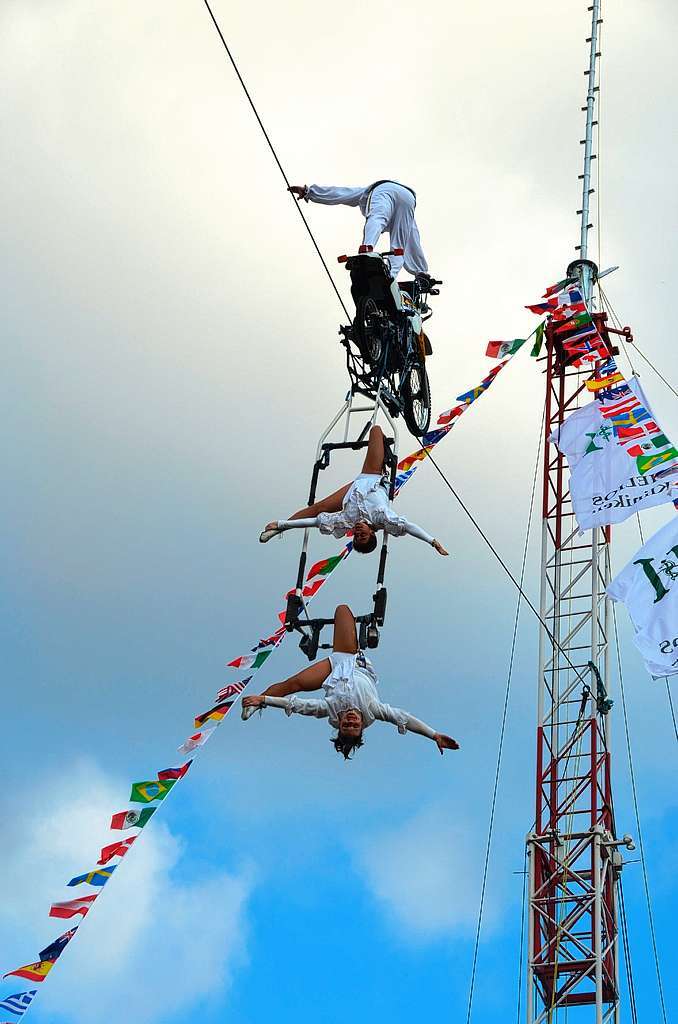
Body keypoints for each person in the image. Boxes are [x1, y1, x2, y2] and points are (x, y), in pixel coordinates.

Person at [241, 604, 459, 760]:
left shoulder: (331, 709)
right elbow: (404, 718)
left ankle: (255, 703)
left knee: (294, 684)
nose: (351, 720)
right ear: (362, 726)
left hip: (331, 670)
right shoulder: (373, 710)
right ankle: (259, 701)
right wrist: (433, 735)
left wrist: (265, 699)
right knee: (342, 610)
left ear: (340, 725)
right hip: (350, 659)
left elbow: (296, 705)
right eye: (355, 725)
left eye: (347, 725)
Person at [259, 424, 448, 555]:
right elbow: (409, 527)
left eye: (356, 536)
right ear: (373, 533)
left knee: (319, 508)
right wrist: (432, 541)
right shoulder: (383, 518)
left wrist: (282, 524)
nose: (358, 531)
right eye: (363, 535)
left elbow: (315, 522)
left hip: (351, 491)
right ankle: (383, 451)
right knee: (376, 431)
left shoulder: (348, 521)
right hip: (371, 474)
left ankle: (278, 529)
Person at [288, 179, 428, 280]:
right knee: (400, 244)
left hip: (384, 188)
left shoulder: (370, 195)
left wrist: (309, 192)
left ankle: (367, 248)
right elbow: (413, 241)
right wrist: (421, 272)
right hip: (409, 197)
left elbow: (340, 194)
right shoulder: (405, 218)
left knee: (377, 217)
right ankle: (391, 276)